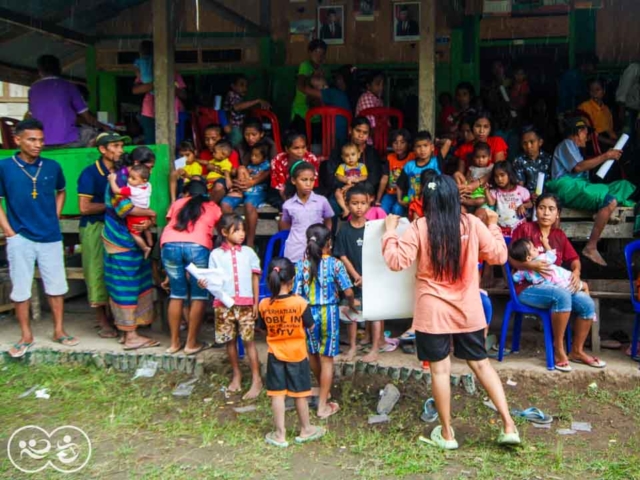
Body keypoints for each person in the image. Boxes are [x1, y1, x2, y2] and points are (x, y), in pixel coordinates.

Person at [382, 174, 519, 449]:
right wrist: (493, 226)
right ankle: (509, 425)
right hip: (468, 308)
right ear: (457, 200)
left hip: (432, 310)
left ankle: (446, 434)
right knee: (481, 364)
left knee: (440, 372)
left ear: (426, 202)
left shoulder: (420, 227)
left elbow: (396, 262)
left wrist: (389, 232)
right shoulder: (472, 223)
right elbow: (499, 256)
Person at [0, 119, 76, 358]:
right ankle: (26, 335)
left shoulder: (52, 166)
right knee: (21, 288)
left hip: (50, 236)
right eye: (32, 140)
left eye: (41, 140)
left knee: (56, 286)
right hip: (20, 236)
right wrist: (9, 231)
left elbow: (62, 190)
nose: (38, 144)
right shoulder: (5, 167)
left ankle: (59, 330)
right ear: (18, 139)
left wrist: (55, 214)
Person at [510, 193, 604, 371]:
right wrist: (531, 265)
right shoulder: (525, 230)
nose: (546, 213)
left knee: (585, 303)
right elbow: (510, 259)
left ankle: (576, 351)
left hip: (555, 286)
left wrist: (576, 272)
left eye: (551, 209)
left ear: (557, 214)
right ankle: (559, 348)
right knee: (562, 296)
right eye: (542, 208)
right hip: (527, 288)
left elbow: (574, 259)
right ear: (536, 210)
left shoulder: (558, 235)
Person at [547, 117, 634, 266]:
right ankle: (591, 247)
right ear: (578, 132)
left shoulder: (577, 150)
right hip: (567, 187)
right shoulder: (567, 144)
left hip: (580, 187)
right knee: (609, 200)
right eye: (585, 133)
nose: (587, 138)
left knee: (623, 185)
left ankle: (599, 212)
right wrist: (606, 155)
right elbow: (578, 167)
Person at [259, 257, 326, 447]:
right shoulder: (299, 303)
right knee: (300, 393)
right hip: (297, 354)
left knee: (277, 394)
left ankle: (280, 434)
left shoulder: (264, 305)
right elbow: (311, 326)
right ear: (292, 280)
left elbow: (263, 328)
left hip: (275, 354)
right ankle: (306, 429)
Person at [295, 224, 356, 418]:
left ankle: (324, 389)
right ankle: (323, 406)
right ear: (329, 243)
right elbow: (348, 290)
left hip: (307, 314)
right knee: (327, 359)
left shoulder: (301, 265)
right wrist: (353, 304)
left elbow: (296, 295)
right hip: (329, 313)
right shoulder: (335, 264)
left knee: (313, 353)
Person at [103, 146, 159, 350]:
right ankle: (130, 335)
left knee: (137, 282)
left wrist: (148, 222)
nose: (150, 172)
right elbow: (124, 209)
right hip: (119, 240)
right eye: (149, 167)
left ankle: (129, 330)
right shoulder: (119, 179)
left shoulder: (138, 180)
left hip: (131, 239)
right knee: (124, 284)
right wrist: (151, 213)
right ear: (137, 164)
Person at [203, 214, 262, 400]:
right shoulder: (215, 255)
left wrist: (255, 302)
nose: (242, 234)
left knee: (249, 341)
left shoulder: (249, 253)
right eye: (236, 230)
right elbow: (212, 280)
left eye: (243, 229)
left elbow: (255, 278)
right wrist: (204, 283)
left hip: (245, 304)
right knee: (229, 341)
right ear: (224, 232)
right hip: (223, 305)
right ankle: (236, 374)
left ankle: (256, 378)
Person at [77, 132, 130, 339]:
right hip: (95, 226)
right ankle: (102, 321)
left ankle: (120, 318)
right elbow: (84, 207)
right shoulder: (90, 174)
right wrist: (113, 205)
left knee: (117, 273)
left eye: (120, 146)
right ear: (103, 149)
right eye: (115, 146)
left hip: (115, 226)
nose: (120, 150)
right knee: (96, 271)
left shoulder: (123, 171)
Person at [161, 179, 222, 354]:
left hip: (169, 245)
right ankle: (191, 343)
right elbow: (219, 230)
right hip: (198, 247)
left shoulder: (178, 203)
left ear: (186, 193)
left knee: (176, 294)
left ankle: (174, 344)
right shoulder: (212, 206)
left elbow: (171, 222)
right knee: (199, 295)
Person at [334, 185, 381, 362]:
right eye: (354, 203)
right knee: (350, 311)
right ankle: (353, 347)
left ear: (369, 203)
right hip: (351, 279)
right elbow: (342, 255)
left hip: (372, 278)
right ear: (347, 204)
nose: (359, 207)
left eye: (363, 203)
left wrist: (368, 276)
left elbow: (379, 253)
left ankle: (375, 348)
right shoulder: (344, 229)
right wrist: (355, 275)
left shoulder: (373, 228)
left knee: (375, 313)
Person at [28, 55, 105, 147]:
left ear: (40, 71)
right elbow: (87, 118)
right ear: (60, 69)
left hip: (40, 141)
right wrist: (105, 127)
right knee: (94, 135)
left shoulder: (33, 88)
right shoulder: (69, 86)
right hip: (67, 140)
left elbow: (31, 116)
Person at [132, 40, 187, 145]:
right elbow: (135, 90)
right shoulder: (146, 70)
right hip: (149, 112)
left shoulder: (173, 73)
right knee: (151, 143)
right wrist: (157, 83)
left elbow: (183, 95)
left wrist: (168, 85)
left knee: (172, 143)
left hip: (169, 111)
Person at [280, 161, 333, 262]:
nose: (308, 184)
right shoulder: (288, 205)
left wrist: (325, 239)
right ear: (293, 180)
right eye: (304, 180)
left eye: (312, 180)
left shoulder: (322, 201)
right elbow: (286, 226)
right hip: (295, 250)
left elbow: (328, 221)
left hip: (318, 248)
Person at [221, 142, 271, 247]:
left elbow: (263, 175)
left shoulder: (267, 165)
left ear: (264, 157)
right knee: (225, 203)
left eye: (256, 156)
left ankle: (250, 243)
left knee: (249, 204)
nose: (253, 158)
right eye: (252, 155)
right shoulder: (249, 166)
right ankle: (234, 238)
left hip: (257, 191)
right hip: (244, 190)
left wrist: (251, 180)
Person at [321, 117, 382, 197]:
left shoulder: (372, 153)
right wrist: (343, 186)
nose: (361, 135)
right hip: (341, 190)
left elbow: (373, 179)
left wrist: (353, 188)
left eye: (365, 132)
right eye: (358, 131)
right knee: (332, 203)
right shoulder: (340, 149)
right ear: (350, 130)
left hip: (362, 192)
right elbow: (331, 175)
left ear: (368, 135)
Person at [108, 165, 154, 258]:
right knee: (146, 228)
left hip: (136, 215)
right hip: (145, 210)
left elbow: (116, 190)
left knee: (134, 234)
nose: (129, 180)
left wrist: (112, 180)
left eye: (133, 178)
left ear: (143, 180)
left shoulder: (132, 190)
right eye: (129, 177)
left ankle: (145, 248)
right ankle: (150, 241)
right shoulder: (148, 186)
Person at [509, 238, 587, 293]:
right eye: (533, 249)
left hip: (549, 288)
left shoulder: (523, 270)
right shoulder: (542, 258)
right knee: (585, 286)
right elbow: (552, 255)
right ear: (529, 258)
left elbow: (515, 278)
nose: (536, 249)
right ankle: (593, 314)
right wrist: (546, 244)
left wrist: (513, 273)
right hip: (564, 282)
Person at [396, 131, 448, 210]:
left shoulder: (436, 162)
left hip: (433, 202)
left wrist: (437, 142)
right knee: (397, 209)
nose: (422, 149)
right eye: (418, 146)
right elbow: (399, 184)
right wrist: (399, 200)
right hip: (413, 202)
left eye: (425, 145)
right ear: (414, 149)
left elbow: (448, 142)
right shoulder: (409, 166)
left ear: (432, 147)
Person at [290, 40, 328, 134]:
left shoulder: (322, 69)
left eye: (322, 53)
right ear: (310, 52)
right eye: (316, 52)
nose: (319, 56)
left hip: (316, 114)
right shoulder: (305, 66)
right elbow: (300, 85)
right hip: (301, 113)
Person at [485, 161, 532, 236]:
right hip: (501, 227)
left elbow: (530, 204)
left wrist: (523, 206)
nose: (499, 179)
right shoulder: (495, 191)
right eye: (496, 176)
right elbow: (491, 203)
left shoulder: (521, 190)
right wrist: (486, 190)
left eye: (502, 175)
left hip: (519, 227)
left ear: (510, 175)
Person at [454, 111, 508, 176]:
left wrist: (478, 183)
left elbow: (499, 171)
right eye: (478, 126)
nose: (481, 131)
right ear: (472, 127)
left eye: (486, 127)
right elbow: (460, 173)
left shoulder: (497, 142)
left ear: (491, 129)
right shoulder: (464, 148)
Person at [271, 132, 320, 203]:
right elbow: (281, 188)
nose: (301, 151)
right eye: (296, 148)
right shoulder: (278, 160)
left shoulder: (311, 159)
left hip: (307, 191)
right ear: (287, 149)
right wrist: (291, 205)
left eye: (303, 147)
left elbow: (311, 184)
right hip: (284, 194)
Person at [224, 74, 271, 146]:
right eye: (241, 85)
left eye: (246, 86)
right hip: (234, 128)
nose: (245, 88)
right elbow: (237, 107)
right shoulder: (232, 95)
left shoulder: (238, 96)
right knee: (235, 146)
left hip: (239, 127)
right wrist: (257, 101)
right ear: (233, 86)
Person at [376, 129, 415, 215]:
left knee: (397, 209)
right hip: (390, 193)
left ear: (408, 144)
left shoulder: (412, 157)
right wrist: (378, 200)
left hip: (405, 194)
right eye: (395, 143)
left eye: (402, 142)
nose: (398, 146)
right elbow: (384, 179)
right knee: (382, 210)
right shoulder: (390, 158)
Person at [512, 126, 552, 199]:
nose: (529, 146)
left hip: (547, 198)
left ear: (540, 142)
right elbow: (520, 185)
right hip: (527, 199)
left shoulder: (549, 159)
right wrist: (529, 196)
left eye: (532, 142)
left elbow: (553, 182)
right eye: (525, 143)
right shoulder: (519, 161)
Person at [578, 78, 618, 147]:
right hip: (591, 142)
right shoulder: (584, 107)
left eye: (597, 90)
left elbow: (609, 130)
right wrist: (609, 141)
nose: (594, 93)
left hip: (605, 139)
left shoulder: (606, 109)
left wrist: (615, 140)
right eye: (591, 90)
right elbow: (588, 132)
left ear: (604, 91)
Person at [457, 142, 493, 213]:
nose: (480, 160)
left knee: (482, 200)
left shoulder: (491, 168)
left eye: (483, 157)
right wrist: (469, 181)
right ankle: (463, 198)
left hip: (482, 193)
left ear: (489, 157)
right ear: (473, 157)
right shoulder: (471, 168)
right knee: (457, 175)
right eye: (477, 157)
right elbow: (467, 180)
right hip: (471, 193)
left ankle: (466, 202)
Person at [334, 142, 368, 218]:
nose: (350, 158)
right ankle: (345, 209)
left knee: (366, 194)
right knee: (337, 193)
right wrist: (346, 180)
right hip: (346, 186)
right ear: (342, 157)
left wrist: (358, 179)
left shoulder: (361, 166)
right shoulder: (342, 166)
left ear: (358, 155)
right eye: (347, 156)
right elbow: (339, 176)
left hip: (357, 187)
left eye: (353, 154)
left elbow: (365, 176)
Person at [615, 62, 640, 139]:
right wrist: (621, 109)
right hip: (628, 107)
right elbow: (623, 89)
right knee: (626, 135)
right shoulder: (634, 69)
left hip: (637, 108)